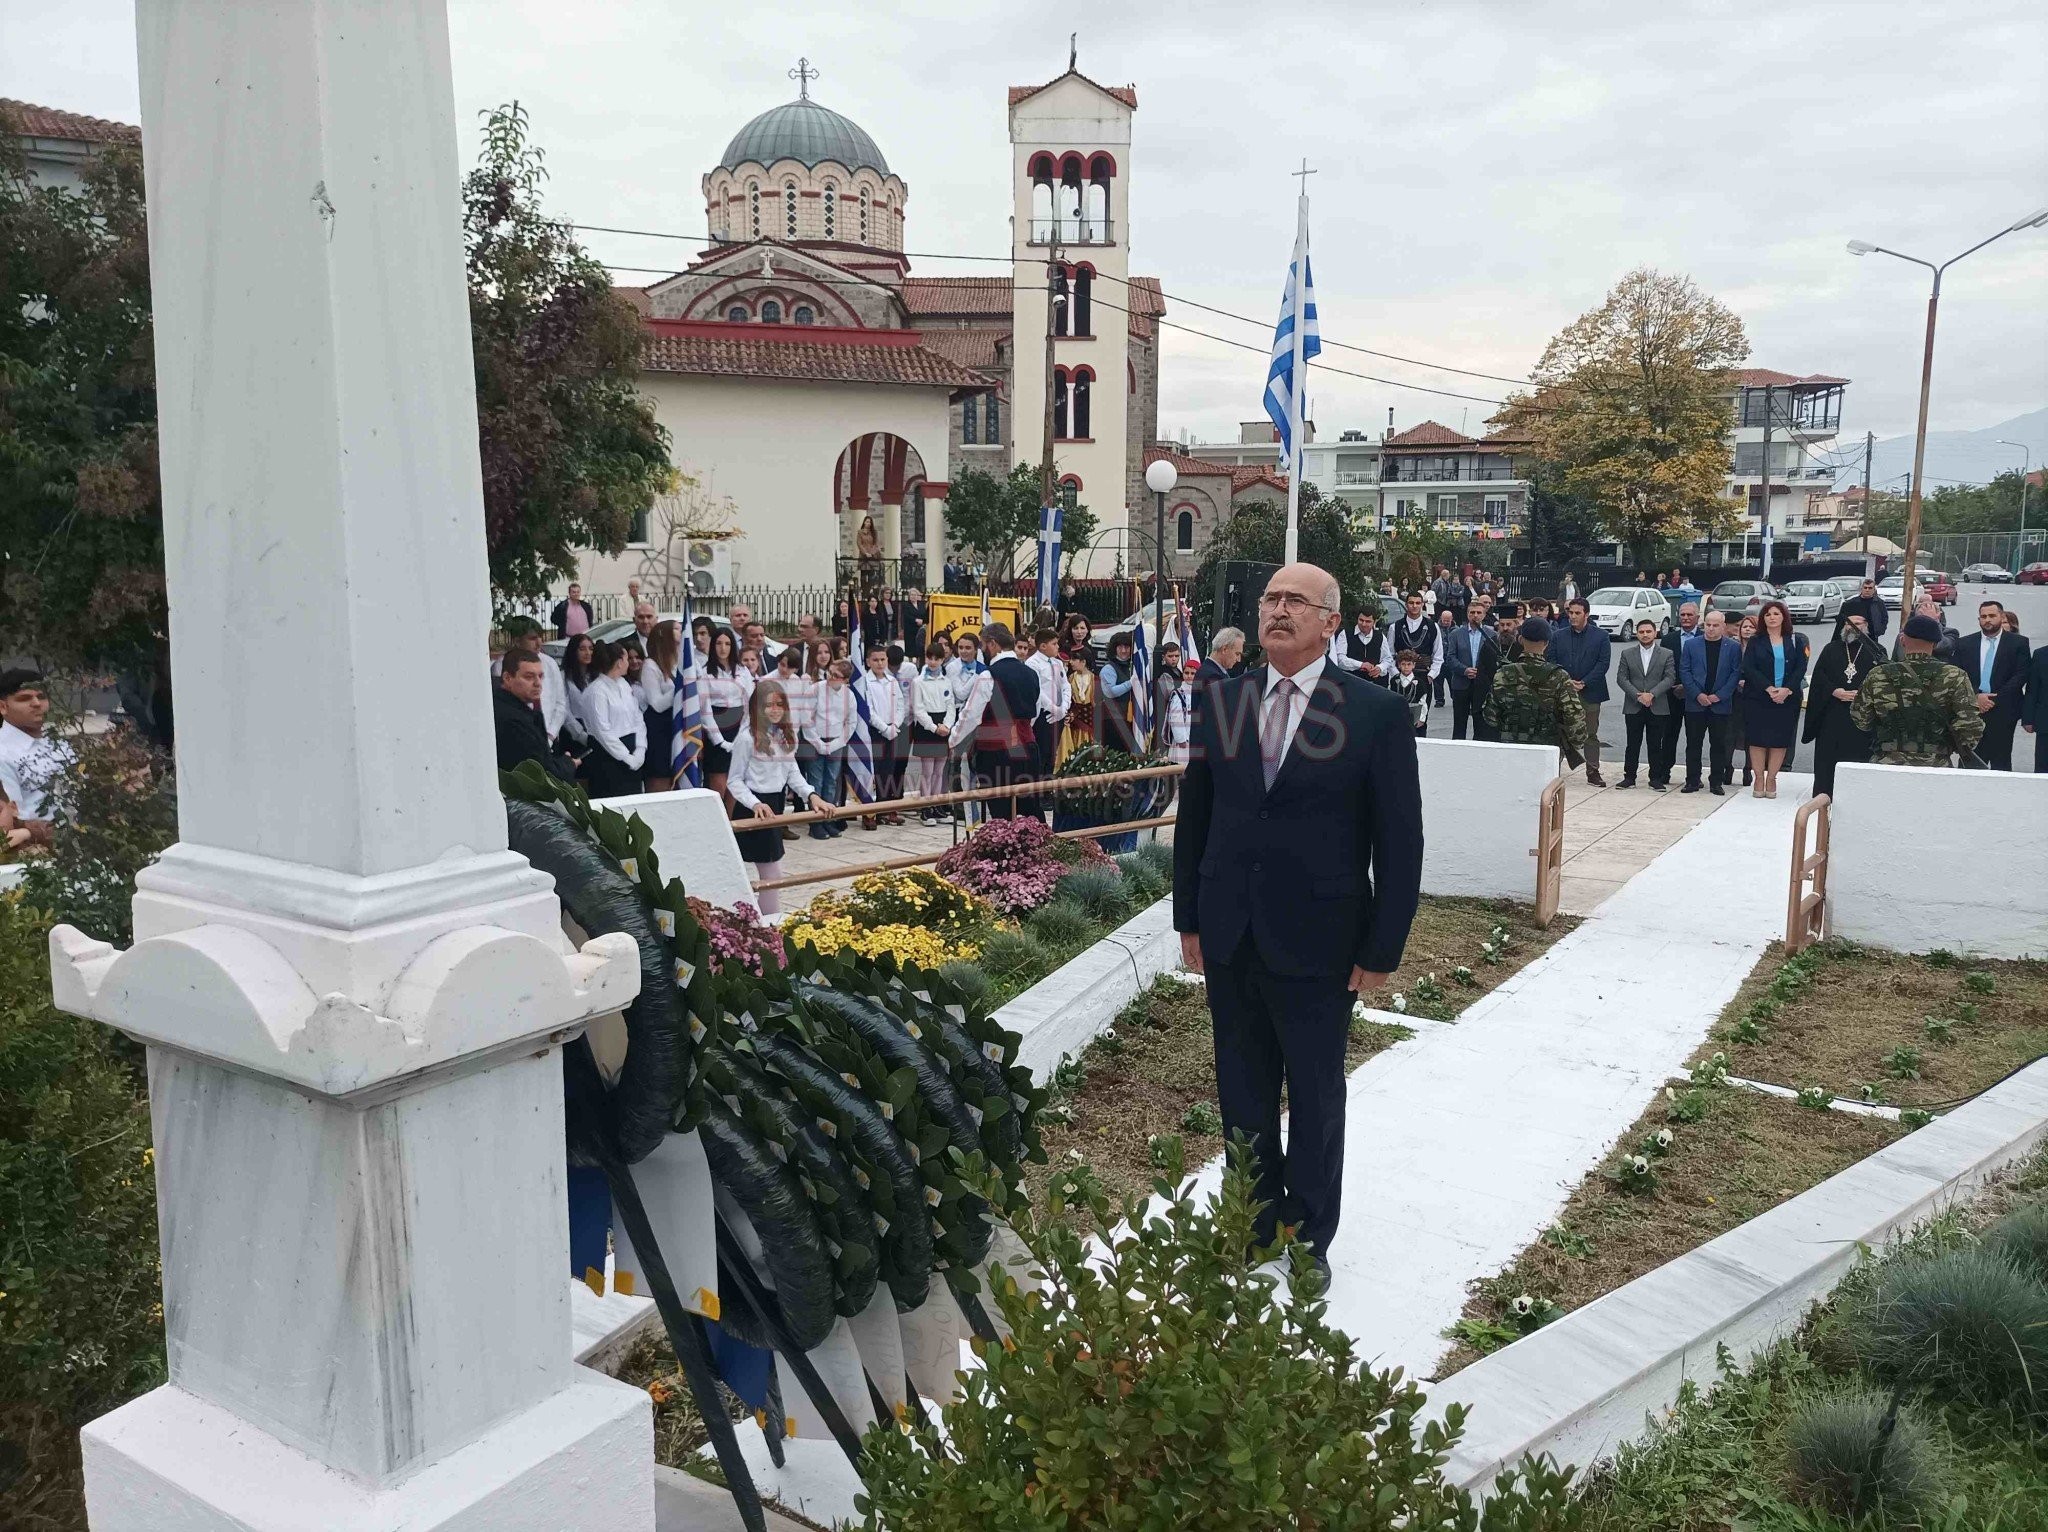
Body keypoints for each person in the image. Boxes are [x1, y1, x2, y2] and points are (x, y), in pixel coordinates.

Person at [1172, 561, 1423, 1275]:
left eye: (1295, 601)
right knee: (1241, 1092)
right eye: (1270, 599)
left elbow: (1399, 839)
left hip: (1322, 939)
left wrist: (1383, 946)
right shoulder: (1223, 700)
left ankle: (1308, 1234)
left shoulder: (1374, 713)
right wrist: (1188, 915)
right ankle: (1250, 1226)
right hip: (1230, 931)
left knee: (1315, 1097)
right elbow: (1198, 816)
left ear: (1330, 622)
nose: (1278, 610)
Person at [727, 681, 833, 914]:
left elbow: (793, 773)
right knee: (771, 875)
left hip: (775, 806)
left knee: (772, 875)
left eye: (779, 704)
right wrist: (755, 803)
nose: (774, 710)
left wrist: (812, 795)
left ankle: (764, 922)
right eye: (768, 705)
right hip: (754, 809)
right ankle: (769, 925)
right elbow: (734, 781)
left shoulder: (784, 736)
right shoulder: (746, 738)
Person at [1853, 614, 1985, 767]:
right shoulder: (1954, 675)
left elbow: (1861, 720)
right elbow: (1971, 726)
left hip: (1887, 764)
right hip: (1936, 764)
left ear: (1902, 640)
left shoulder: (1878, 674)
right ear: (1936, 644)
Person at [949, 622, 1041, 822]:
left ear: (992, 644)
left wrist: (954, 740)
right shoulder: (1030, 673)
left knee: (1002, 812)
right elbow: (1036, 709)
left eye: (983, 645)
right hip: (1028, 747)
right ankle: (1036, 850)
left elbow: (971, 715)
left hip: (997, 752)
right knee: (1030, 808)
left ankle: (1008, 852)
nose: (983, 650)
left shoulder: (988, 675)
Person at [1483, 616, 1588, 767]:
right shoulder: (1559, 676)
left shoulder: (1503, 674)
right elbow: (1574, 718)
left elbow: (1490, 716)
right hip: (1546, 750)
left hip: (1510, 747)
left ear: (1520, 639)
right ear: (1546, 643)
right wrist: (1576, 742)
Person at [1803, 613, 1883, 798]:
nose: (1851, 627)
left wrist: (1862, 693)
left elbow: (1881, 679)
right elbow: (1819, 678)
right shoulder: (1831, 649)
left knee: (1858, 757)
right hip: (1833, 712)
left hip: (1861, 716)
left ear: (1865, 626)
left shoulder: (1877, 651)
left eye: (1857, 623)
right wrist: (1834, 691)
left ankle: (1855, 796)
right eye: (1848, 623)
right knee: (1828, 757)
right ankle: (1824, 794)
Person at [1953, 600, 2030, 771]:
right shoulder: (1964, 644)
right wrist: (1975, 697)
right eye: (1983, 616)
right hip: (1973, 711)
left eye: (1992, 616)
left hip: (2003, 711)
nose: (1987, 620)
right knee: (1970, 761)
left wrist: (1993, 699)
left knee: (2001, 762)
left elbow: (2021, 675)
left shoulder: (2018, 643)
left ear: (2001, 617)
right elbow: (1958, 673)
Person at [1740, 599, 1805, 798]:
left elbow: (1801, 667)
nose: (1772, 617)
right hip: (1759, 697)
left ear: (1784, 617)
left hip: (1786, 699)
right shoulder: (1755, 641)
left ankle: (1772, 778)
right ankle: (1759, 778)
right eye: (1768, 614)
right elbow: (1749, 667)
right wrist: (1768, 688)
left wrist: (1786, 689)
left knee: (1780, 740)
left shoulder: (1796, 640)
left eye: (1776, 614)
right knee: (1757, 739)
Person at [0, 669, 71, 848]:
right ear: (3, 707)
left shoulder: (59, 744)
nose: (36, 703)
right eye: (24, 698)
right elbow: (11, 819)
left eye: (41, 696)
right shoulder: (3, 753)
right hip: (34, 850)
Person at [1548, 598, 1612, 786]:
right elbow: (1551, 661)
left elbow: (1603, 664)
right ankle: (1553, 771)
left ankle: (1593, 771)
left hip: (1590, 692)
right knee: (1559, 732)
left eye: (1577, 613)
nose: (1573, 616)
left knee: (1590, 734)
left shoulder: (1600, 636)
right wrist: (1567, 681)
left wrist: (1584, 682)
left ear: (1586, 614)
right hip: (1563, 692)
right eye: (1570, 612)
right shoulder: (1558, 636)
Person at [1680, 611, 1743, 794]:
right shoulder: (1691, 645)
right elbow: (1685, 671)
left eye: (1715, 625)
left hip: (1720, 704)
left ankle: (1716, 781)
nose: (1711, 628)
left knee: (1718, 744)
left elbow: (1734, 674)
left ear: (1723, 626)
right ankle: (1692, 780)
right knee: (1693, 744)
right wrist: (1697, 694)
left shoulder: (1732, 647)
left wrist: (1720, 696)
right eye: (1708, 624)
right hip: (1695, 703)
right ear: (1703, 624)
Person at [493, 648, 576, 781]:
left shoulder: (514, 710)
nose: (538, 683)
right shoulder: (513, 721)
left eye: (540, 676)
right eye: (529, 677)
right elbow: (541, 774)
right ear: (508, 678)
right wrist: (568, 764)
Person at [1615, 617, 1676, 789]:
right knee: (1632, 744)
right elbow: (1621, 678)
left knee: (1655, 743)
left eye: (1648, 631)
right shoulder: (1627, 653)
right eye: (1641, 632)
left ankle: (1655, 779)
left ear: (1655, 632)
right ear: (1637, 633)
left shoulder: (1666, 654)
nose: (1645, 634)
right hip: (1634, 705)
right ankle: (1629, 777)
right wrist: (1638, 695)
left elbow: (1670, 678)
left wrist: (1652, 694)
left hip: (1657, 705)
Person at [579, 640, 645, 798]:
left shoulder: (624, 684)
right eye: (627, 658)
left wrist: (640, 749)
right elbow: (602, 731)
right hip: (607, 756)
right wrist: (626, 757)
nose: (629, 663)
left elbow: (638, 718)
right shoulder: (596, 691)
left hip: (632, 749)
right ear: (619, 662)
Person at [804, 660, 858, 838]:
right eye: (830, 673)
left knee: (831, 782)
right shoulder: (815, 689)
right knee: (816, 781)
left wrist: (836, 744)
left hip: (836, 742)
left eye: (836, 676)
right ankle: (816, 823)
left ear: (845, 680)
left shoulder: (848, 696)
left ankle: (828, 820)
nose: (830, 678)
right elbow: (806, 719)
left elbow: (851, 723)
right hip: (815, 740)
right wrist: (818, 743)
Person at [495, 616, 569, 745]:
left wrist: (550, 735)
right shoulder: (502, 665)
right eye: (532, 638)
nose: (539, 642)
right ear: (517, 641)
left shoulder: (549, 663)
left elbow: (560, 702)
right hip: (520, 735)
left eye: (540, 637)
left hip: (550, 735)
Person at [857, 644, 907, 826]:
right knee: (872, 772)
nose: (879, 663)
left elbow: (900, 704)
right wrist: (884, 728)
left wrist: (895, 725)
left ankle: (885, 810)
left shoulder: (892, 680)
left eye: (882, 659)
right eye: (875, 660)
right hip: (875, 732)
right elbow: (867, 710)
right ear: (868, 661)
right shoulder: (865, 682)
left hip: (892, 731)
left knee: (888, 771)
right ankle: (869, 813)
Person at [699, 627, 752, 801]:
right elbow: (705, 710)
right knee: (718, 783)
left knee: (735, 783)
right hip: (717, 728)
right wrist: (720, 741)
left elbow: (749, 701)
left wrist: (743, 733)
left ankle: (731, 825)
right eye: (719, 643)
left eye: (728, 644)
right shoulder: (705, 672)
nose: (723, 648)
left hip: (739, 726)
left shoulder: (742, 671)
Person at [909, 641, 958, 821]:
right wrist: (933, 727)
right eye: (930, 658)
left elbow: (950, 705)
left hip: (943, 726)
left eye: (937, 658)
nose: (933, 662)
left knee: (940, 771)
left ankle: (937, 806)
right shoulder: (918, 682)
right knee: (927, 771)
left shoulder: (946, 681)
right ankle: (925, 807)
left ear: (943, 659)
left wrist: (947, 725)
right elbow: (918, 708)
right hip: (926, 727)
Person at [1657, 603, 1701, 785]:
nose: (1685, 618)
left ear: (1698, 617)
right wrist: (1675, 686)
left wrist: (1689, 686)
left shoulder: (1705, 637)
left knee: (1694, 738)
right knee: (1668, 735)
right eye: (1682, 614)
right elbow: (1663, 666)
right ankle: (1664, 772)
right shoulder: (1669, 639)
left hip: (1697, 695)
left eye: (1690, 614)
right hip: (1672, 694)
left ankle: (1694, 777)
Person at [1443, 602, 1498, 741]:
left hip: (1482, 684)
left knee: (1480, 721)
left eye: (1479, 613)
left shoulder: (1491, 634)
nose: (1475, 615)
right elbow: (1450, 658)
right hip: (1461, 683)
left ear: (1484, 614)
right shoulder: (1456, 634)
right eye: (1472, 612)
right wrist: (1464, 670)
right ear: (1467, 614)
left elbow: (1494, 659)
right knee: (1459, 722)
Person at [637, 619, 680, 792]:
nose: (682, 630)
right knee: (660, 779)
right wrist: (680, 688)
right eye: (677, 628)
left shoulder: (680, 662)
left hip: (676, 726)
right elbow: (657, 704)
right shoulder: (651, 665)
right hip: (659, 729)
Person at [1026, 626, 1071, 789]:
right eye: (1054, 644)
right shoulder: (1032, 663)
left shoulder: (1058, 663)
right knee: (1042, 753)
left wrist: (1063, 707)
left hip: (1058, 714)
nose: (1058, 647)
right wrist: (1053, 708)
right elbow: (1037, 690)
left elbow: (1065, 686)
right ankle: (1038, 789)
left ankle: (1047, 789)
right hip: (1043, 715)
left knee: (1052, 753)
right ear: (1043, 646)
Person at [1096, 632, 1141, 755]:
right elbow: (1110, 692)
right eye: (1120, 647)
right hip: (1113, 719)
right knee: (1115, 753)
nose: (1124, 650)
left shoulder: (1133, 666)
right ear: (1114, 648)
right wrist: (1130, 683)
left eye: (1127, 647)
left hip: (1131, 718)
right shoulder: (1108, 668)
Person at [1390, 593, 1443, 695]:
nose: (1414, 606)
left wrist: (1431, 675)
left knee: (1423, 710)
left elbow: (1438, 654)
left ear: (1422, 604)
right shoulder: (1395, 627)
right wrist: (1395, 674)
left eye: (1418, 603)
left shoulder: (1432, 626)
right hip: (1400, 676)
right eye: (1411, 603)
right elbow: (1390, 654)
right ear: (1406, 605)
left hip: (1424, 675)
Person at [1057, 647, 1097, 769]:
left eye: (1074, 659)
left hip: (1091, 720)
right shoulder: (1070, 678)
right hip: (1074, 720)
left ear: (1083, 661)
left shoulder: (1095, 679)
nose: (1071, 662)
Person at [559, 632, 597, 755]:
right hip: (573, 732)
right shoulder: (564, 676)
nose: (588, 653)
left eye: (591, 649)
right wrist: (581, 734)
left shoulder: (596, 676)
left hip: (596, 729)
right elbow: (565, 710)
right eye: (582, 649)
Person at [1330, 606, 1388, 683]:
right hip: (1350, 682)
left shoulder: (1380, 637)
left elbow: (1387, 659)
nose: (1363, 624)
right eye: (1361, 620)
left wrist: (1379, 668)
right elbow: (1339, 659)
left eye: (1368, 621)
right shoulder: (1345, 634)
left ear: (1374, 622)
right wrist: (1361, 665)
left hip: (1374, 684)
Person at [1387, 649, 1430, 737]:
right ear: (1399, 665)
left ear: (1413, 665)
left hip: (1415, 717)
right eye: (1403, 664)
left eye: (1409, 664)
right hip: (1399, 716)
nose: (1406, 667)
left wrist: (1421, 719)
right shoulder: (1394, 681)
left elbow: (1423, 702)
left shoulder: (1420, 683)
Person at [2024, 641, 2048, 773]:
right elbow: (2032, 689)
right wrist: (2028, 718)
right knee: (2043, 769)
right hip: (2045, 723)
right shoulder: (2041, 654)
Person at [1431, 607, 1457, 708]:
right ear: (1441, 618)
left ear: (1452, 619)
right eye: (1444, 620)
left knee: (1453, 682)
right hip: (1439, 660)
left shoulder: (1456, 630)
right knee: (1438, 682)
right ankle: (1439, 700)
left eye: (1448, 620)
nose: (1446, 622)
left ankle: (1455, 698)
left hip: (1451, 660)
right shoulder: (1435, 628)